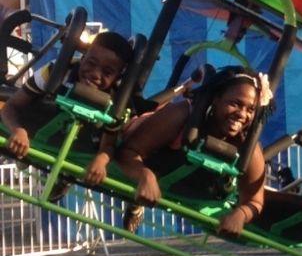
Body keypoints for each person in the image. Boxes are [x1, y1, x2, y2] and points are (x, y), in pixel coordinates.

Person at [108, 66, 272, 237]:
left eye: (250, 110)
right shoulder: (180, 114)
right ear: (216, 98)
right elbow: (127, 150)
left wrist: (241, 214)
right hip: (149, 152)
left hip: (193, 186)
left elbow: (255, 200)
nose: (242, 114)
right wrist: (145, 176)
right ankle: (135, 203)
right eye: (235, 103)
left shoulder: (248, 147)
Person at [1, 30, 133, 200]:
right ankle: (30, 155)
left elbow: (108, 145)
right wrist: (18, 130)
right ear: (83, 56)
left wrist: (102, 160)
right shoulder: (55, 71)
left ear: (117, 78)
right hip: (39, 124)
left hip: (82, 143)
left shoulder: (117, 101)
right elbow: (11, 106)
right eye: (91, 63)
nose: (95, 74)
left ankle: (66, 177)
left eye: (107, 73)